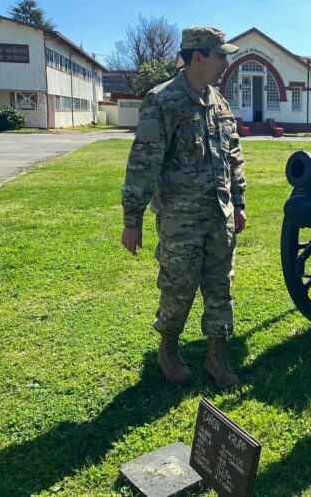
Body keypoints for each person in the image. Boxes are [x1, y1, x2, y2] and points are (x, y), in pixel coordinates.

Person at [120, 27, 246, 389]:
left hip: (219, 217)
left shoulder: (219, 103)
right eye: (220, 56)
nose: (226, 62)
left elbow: (233, 157)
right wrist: (133, 220)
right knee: (178, 289)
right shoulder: (162, 101)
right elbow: (144, 162)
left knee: (220, 289)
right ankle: (168, 352)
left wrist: (238, 202)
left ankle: (216, 358)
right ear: (198, 57)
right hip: (181, 221)